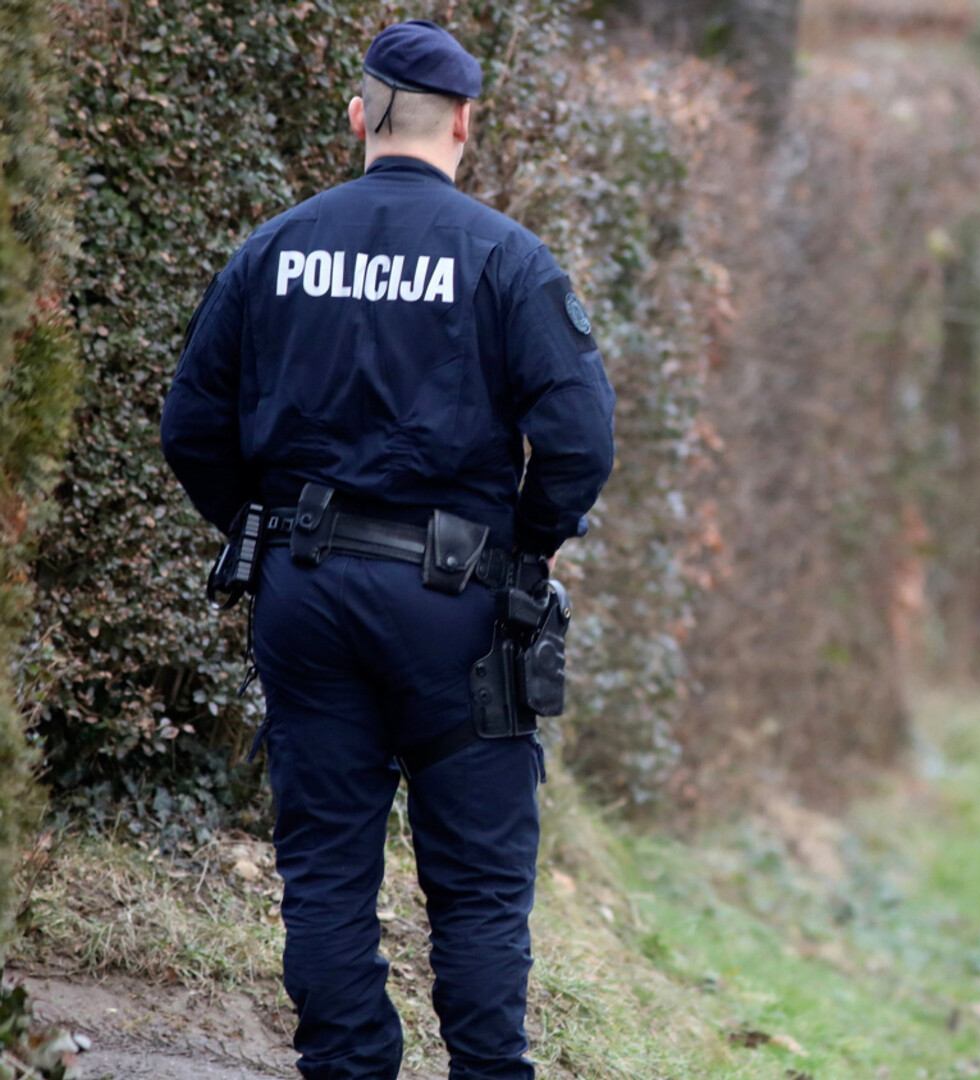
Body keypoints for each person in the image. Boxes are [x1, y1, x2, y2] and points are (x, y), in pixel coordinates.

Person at [160, 20, 615, 1080]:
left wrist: (266, 532)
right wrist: (529, 550)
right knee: (480, 887)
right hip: (457, 611)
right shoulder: (506, 257)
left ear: (360, 115)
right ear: (464, 123)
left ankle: (349, 1063)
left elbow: (190, 427)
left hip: (307, 597)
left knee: (325, 871)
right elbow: (581, 440)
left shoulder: (275, 248)